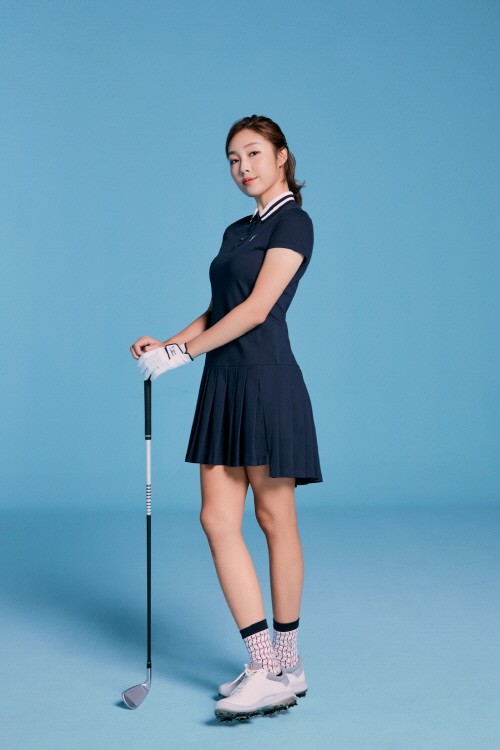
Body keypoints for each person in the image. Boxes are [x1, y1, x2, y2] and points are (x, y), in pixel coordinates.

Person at [130, 115, 322, 722]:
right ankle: (264, 662)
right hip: (224, 381)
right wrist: (169, 345)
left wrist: (185, 354)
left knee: (274, 518)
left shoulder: (293, 222)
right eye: (234, 159)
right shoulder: (238, 229)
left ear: (282, 156)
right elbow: (220, 307)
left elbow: (259, 308)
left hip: (266, 380)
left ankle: (285, 665)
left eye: (254, 153)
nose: (243, 167)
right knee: (217, 519)